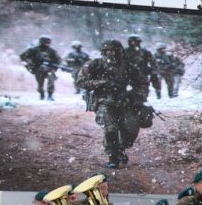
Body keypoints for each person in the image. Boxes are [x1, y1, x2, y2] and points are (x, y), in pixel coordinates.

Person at [76, 40, 150, 169]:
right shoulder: (95, 65)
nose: (111, 53)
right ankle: (112, 156)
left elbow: (142, 83)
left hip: (125, 102)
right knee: (111, 129)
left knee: (131, 129)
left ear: (120, 51)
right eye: (108, 51)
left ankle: (121, 149)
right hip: (104, 101)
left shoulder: (128, 66)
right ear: (103, 52)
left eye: (114, 50)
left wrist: (133, 95)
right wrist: (101, 83)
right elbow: (81, 82)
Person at [20, 35, 61, 100]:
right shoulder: (33, 50)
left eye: (48, 42)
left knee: (51, 80)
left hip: (49, 69)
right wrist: (29, 63)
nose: (47, 44)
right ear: (42, 42)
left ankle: (50, 95)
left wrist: (54, 67)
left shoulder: (52, 51)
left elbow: (58, 60)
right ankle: (42, 94)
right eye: (46, 42)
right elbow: (23, 56)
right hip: (38, 69)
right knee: (40, 83)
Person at [124, 35, 161, 99]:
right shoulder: (125, 52)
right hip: (128, 74)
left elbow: (153, 63)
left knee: (142, 94)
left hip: (141, 74)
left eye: (135, 42)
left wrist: (153, 72)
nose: (134, 43)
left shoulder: (144, 52)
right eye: (132, 42)